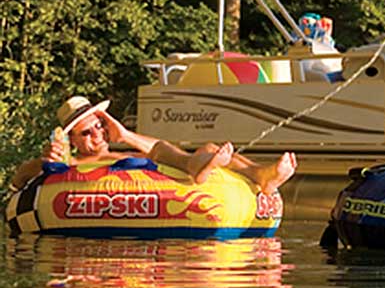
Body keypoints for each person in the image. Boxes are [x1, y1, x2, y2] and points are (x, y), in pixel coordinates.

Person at [10, 96, 297, 193]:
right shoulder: (71, 164)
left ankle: (261, 174)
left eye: (99, 126)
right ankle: (198, 167)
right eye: (86, 132)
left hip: (164, 172)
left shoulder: (123, 149)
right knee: (164, 154)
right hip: (121, 192)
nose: (97, 134)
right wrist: (45, 161)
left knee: (209, 148)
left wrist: (124, 134)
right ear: (72, 140)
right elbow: (22, 175)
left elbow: (159, 147)